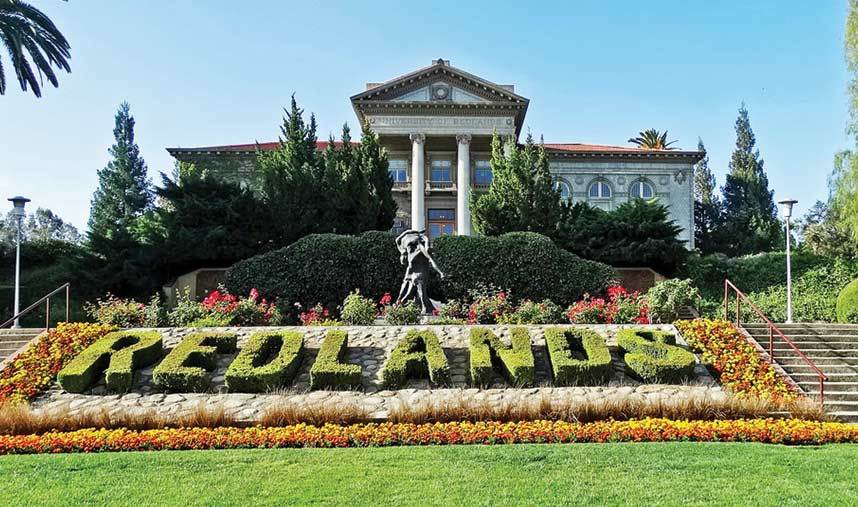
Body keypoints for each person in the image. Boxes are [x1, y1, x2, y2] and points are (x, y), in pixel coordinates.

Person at [394, 229, 445, 314]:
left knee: (421, 291)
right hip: (410, 272)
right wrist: (411, 231)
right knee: (403, 291)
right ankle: (399, 304)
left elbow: (431, 260)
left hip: (420, 272)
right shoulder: (404, 251)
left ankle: (425, 308)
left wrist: (440, 272)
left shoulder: (420, 249)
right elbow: (397, 240)